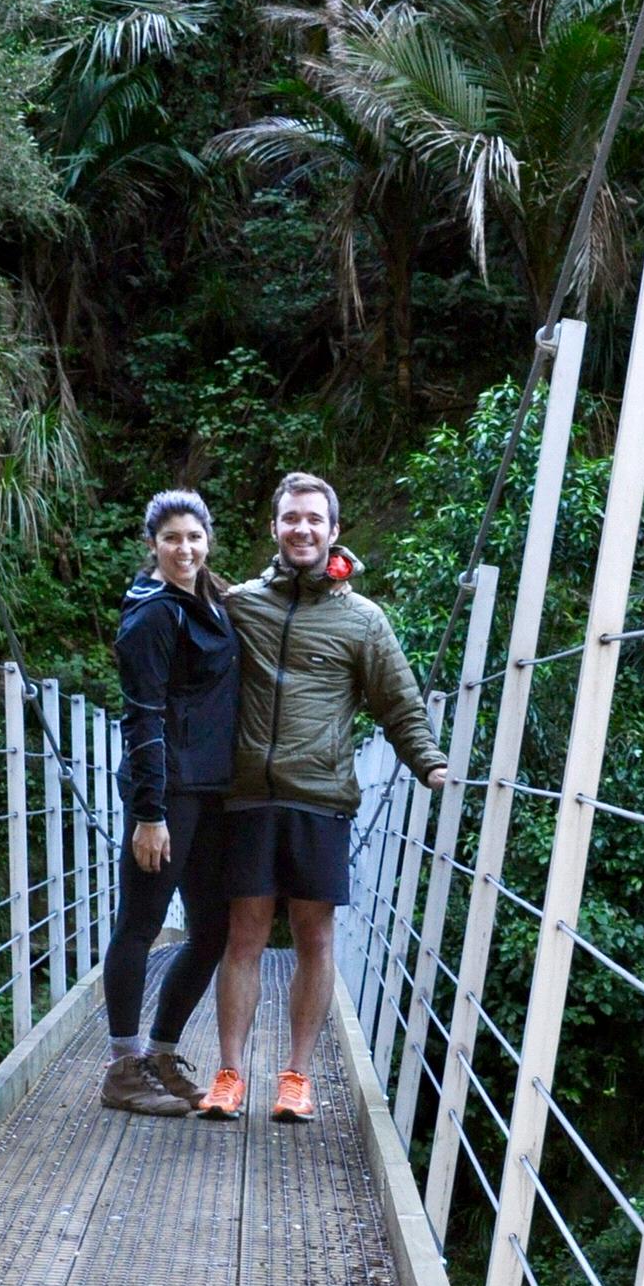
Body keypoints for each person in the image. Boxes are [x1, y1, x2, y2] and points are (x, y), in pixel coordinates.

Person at [197, 471, 447, 1124]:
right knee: (244, 933)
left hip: (321, 797)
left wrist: (432, 765)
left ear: (334, 531)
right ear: (274, 528)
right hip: (248, 795)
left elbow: (399, 704)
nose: (301, 528)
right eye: (290, 518)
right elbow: (183, 643)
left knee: (315, 933)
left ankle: (298, 1078)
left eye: (314, 519)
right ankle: (228, 1075)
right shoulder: (241, 604)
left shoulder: (363, 620)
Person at [100, 489, 239, 1115]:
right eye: (172, 538)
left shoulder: (208, 598)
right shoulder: (153, 615)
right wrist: (149, 814)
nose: (185, 548)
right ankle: (123, 1068)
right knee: (141, 924)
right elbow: (143, 716)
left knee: (212, 929)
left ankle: (161, 1053)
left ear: (208, 539)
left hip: (211, 793)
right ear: (153, 544)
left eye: (194, 537)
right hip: (168, 793)